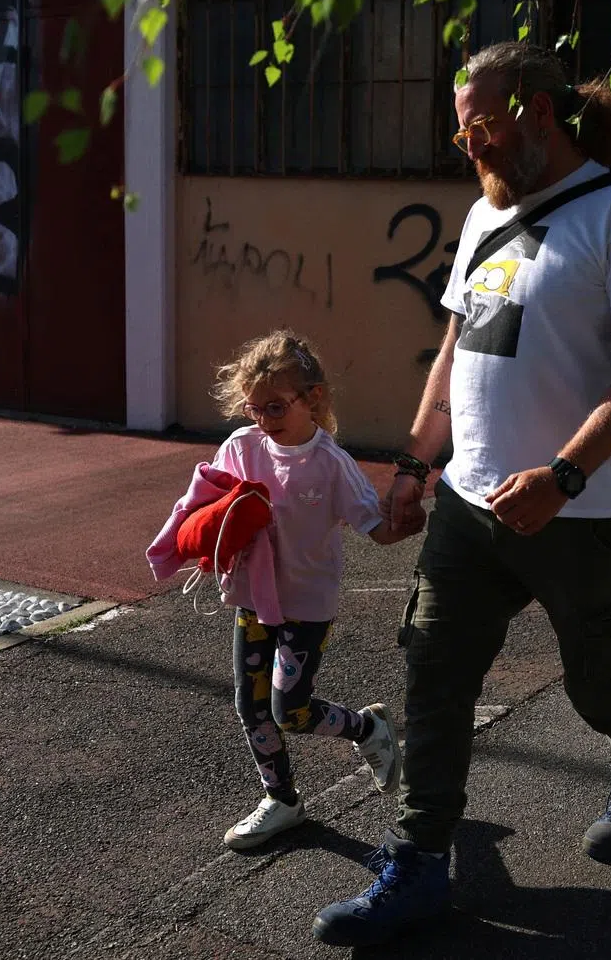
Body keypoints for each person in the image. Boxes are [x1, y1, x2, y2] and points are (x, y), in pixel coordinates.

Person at [312, 42, 611, 947]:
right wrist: (413, 467)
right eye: (461, 126)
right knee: (432, 674)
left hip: (575, 512)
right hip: (468, 507)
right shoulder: (484, 219)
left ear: (538, 115)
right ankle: (417, 863)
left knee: (599, 678)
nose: (466, 142)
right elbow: (454, 352)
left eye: (479, 123)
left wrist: (563, 476)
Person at [147, 329, 418, 851]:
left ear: (313, 399)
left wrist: (405, 522)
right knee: (251, 706)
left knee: (289, 709)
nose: (263, 421)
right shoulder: (242, 446)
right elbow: (200, 502)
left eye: (275, 407)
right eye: (253, 409)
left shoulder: (332, 465)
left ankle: (366, 728)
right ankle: (282, 800)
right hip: (252, 598)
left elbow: (376, 528)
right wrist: (184, 542)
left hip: (306, 605)